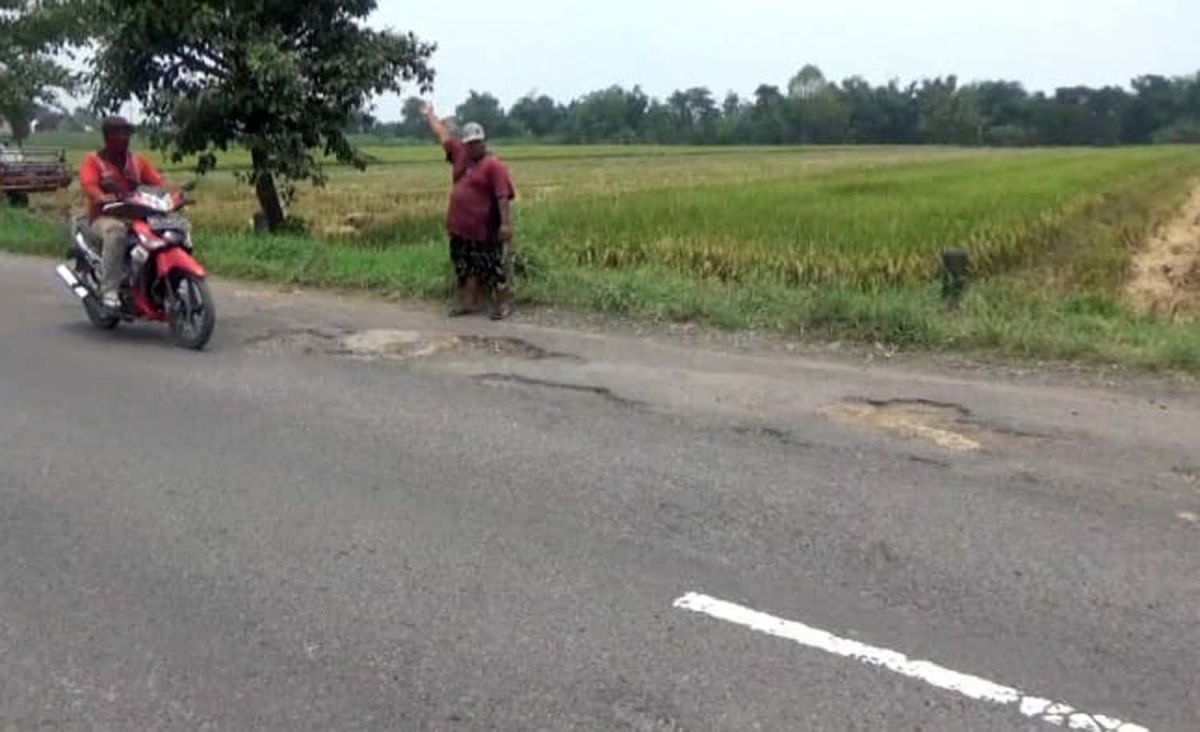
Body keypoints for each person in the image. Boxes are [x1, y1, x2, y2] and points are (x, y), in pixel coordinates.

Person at [422, 104, 517, 320]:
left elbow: (502, 196)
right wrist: (430, 116)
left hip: (484, 229)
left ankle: (502, 305)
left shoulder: (494, 166)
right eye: (469, 143)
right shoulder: (459, 154)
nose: (472, 147)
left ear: (483, 143)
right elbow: (442, 135)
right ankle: (469, 303)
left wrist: (505, 224)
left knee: (494, 268)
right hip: (459, 227)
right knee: (465, 268)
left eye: (476, 143)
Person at [78, 117, 170, 310]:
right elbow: (89, 185)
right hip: (104, 218)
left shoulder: (137, 162)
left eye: (127, 133)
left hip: (137, 217)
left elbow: (158, 182)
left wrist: (173, 196)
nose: (124, 138)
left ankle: (158, 284)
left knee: (164, 233)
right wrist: (101, 196)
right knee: (116, 231)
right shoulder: (94, 161)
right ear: (107, 137)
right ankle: (110, 290)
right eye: (118, 133)